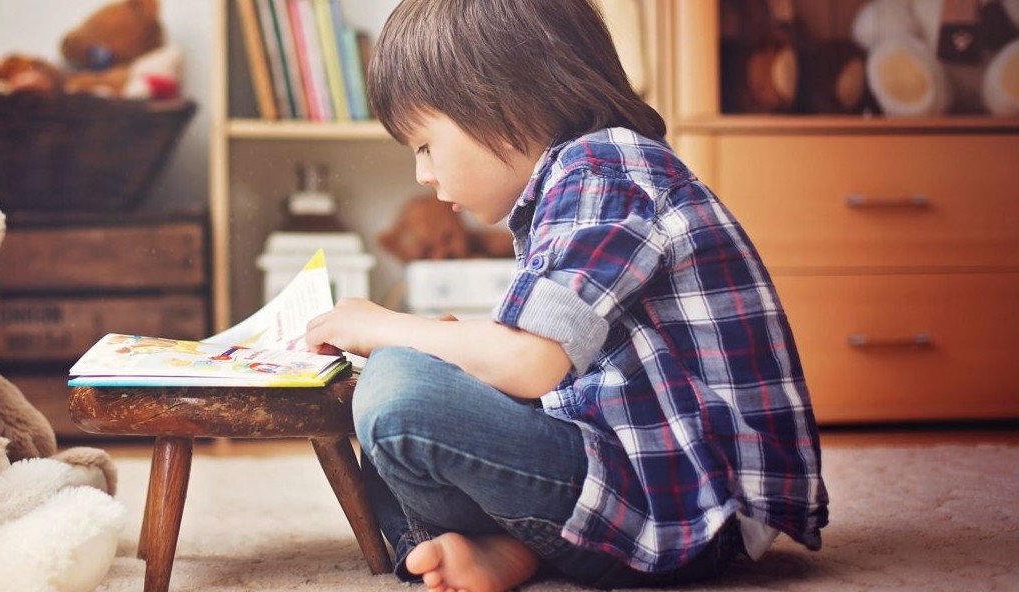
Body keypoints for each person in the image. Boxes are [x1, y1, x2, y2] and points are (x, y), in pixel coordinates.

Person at [303, 0, 829, 590]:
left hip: (688, 500)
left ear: (503, 105)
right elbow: (550, 367)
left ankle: (505, 541)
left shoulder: (603, 172)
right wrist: (444, 348)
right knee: (390, 383)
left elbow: (530, 362)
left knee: (397, 393)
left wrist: (390, 327)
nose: (422, 175)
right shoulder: (574, 180)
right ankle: (513, 547)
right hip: (634, 465)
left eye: (424, 145)